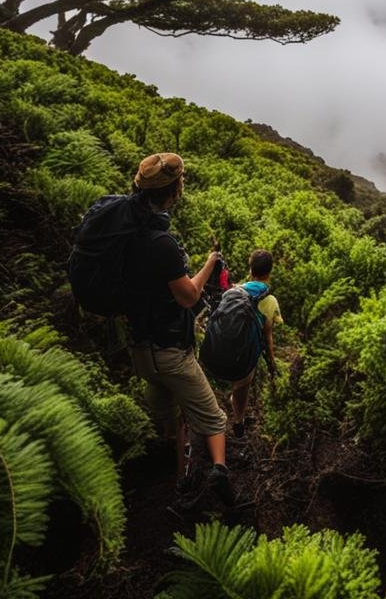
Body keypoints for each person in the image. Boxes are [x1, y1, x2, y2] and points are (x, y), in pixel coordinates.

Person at [121, 152, 234, 506]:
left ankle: (178, 474)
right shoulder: (162, 243)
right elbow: (187, 296)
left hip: (139, 349)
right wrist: (209, 263)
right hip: (169, 350)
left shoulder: (125, 229)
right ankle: (219, 473)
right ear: (173, 191)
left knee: (168, 414)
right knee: (214, 418)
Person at [225, 249, 283, 438]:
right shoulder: (270, 300)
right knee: (242, 387)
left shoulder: (236, 290)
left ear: (250, 269)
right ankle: (238, 422)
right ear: (270, 271)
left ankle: (235, 408)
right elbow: (268, 337)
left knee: (237, 386)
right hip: (248, 353)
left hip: (228, 346)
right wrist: (272, 363)